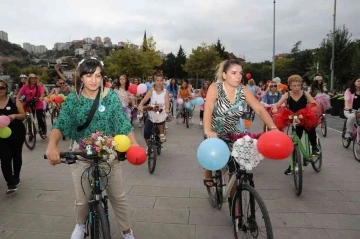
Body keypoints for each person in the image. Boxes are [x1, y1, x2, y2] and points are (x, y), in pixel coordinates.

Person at [45, 58, 137, 239]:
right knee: (82, 200)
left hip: (108, 153)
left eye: (98, 75)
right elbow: (60, 124)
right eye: (89, 75)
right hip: (80, 154)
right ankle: (81, 225)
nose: (94, 80)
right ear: (81, 76)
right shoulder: (73, 99)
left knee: (118, 197)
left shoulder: (110, 96)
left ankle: (127, 232)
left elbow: (122, 124)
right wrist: (51, 145)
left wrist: (134, 145)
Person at [203, 59, 277, 193]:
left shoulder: (243, 90)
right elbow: (208, 108)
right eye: (233, 73)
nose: (238, 76)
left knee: (236, 166)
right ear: (224, 75)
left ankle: (234, 204)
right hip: (216, 129)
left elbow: (259, 109)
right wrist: (208, 130)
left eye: (240, 73)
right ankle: (207, 171)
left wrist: (273, 128)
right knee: (210, 153)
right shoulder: (215, 87)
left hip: (236, 130)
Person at [272, 75, 318, 175]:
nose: (297, 87)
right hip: (294, 119)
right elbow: (277, 104)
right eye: (294, 86)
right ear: (290, 86)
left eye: (299, 85)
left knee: (310, 129)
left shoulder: (305, 93)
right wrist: (275, 108)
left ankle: (314, 147)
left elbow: (314, 103)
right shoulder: (287, 94)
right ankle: (292, 165)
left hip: (305, 117)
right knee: (294, 142)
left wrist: (314, 109)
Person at [0, 80, 26, 194]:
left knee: (16, 155)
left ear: (6, 89)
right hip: (1, 135)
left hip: (17, 132)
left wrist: (14, 115)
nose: (0, 90)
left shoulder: (14, 100)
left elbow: (23, 115)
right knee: (5, 158)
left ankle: (16, 176)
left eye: (2, 88)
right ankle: (10, 183)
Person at [138, 75, 169, 143]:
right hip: (152, 110)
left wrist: (167, 109)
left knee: (160, 118)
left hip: (161, 111)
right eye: (157, 80)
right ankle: (148, 146)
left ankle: (161, 134)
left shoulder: (165, 91)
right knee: (146, 132)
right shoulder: (151, 91)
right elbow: (145, 99)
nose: (159, 82)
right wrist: (140, 105)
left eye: (161, 80)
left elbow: (167, 101)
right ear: (155, 82)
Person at [17, 74, 47, 138]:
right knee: (29, 118)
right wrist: (17, 99)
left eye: (35, 78)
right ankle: (31, 133)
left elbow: (42, 92)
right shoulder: (25, 86)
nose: (34, 80)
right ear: (29, 79)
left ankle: (42, 130)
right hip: (28, 104)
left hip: (38, 103)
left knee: (39, 117)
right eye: (32, 78)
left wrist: (41, 97)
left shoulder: (38, 86)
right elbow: (19, 94)